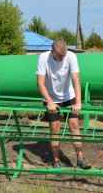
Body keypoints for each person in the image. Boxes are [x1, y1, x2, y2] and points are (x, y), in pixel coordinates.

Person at [36, 39, 92, 169]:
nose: (62, 58)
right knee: (55, 128)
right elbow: (40, 83)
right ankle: (57, 161)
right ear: (52, 51)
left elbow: (76, 80)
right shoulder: (43, 58)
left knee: (74, 125)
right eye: (59, 56)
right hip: (51, 98)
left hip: (69, 96)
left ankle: (80, 159)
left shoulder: (71, 56)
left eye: (64, 55)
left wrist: (78, 102)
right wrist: (49, 102)